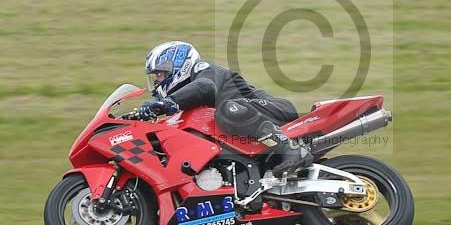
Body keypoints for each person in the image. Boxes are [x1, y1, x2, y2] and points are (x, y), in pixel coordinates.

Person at [126, 41, 312, 178]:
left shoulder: (204, 71)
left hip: (276, 111)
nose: (157, 81)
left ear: (179, 66)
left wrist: (165, 103)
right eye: (155, 77)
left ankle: (291, 149)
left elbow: (205, 87)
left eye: (161, 74)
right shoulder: (186, 104)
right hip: (247, 135)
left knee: (226, 109)